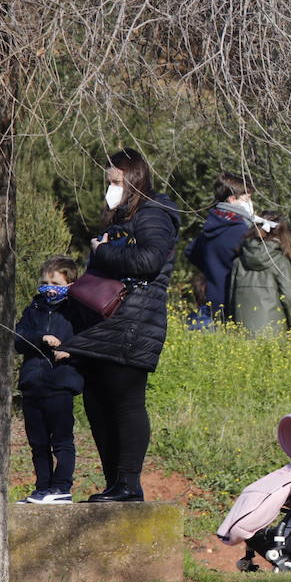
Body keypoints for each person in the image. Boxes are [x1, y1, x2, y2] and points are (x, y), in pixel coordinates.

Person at [58, 148, 180, 502]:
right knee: (97, 402)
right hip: (105, 323)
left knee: (126, 402)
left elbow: (148, 259)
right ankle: (114, 483)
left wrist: (101, 251)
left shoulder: (154, 213)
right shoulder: (121, 217)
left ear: (135, 179)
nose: (110, 188)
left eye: (115, 181)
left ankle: (128, 484)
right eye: (108, 181)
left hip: (134, 321)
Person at [13, 255, 87, 505]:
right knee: (38, 443)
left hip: (60, 384)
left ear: (69, 283)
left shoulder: (77, 310)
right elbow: (17, 339)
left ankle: (61, 487)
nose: (48, 288)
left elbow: (88, 341)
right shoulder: (34, 308)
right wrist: (41, 338)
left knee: (61, 441)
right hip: (32, 384)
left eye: (54, 282)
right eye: (44, 282)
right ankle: (42, 488)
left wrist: (70, 351)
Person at [186, 172, 256, 326]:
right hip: (234, 300)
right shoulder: (240, 229)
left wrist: (212, 269)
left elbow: (190, 251)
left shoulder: (213, 222)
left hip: (212, 296)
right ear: (232, 199)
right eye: (247, 198)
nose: (251, 203)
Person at [227, 210, 291, 336]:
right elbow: (290, 297)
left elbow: (231, 299)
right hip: (273, 334)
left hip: (242, 335)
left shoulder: (238, 261)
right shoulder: (280, 262)